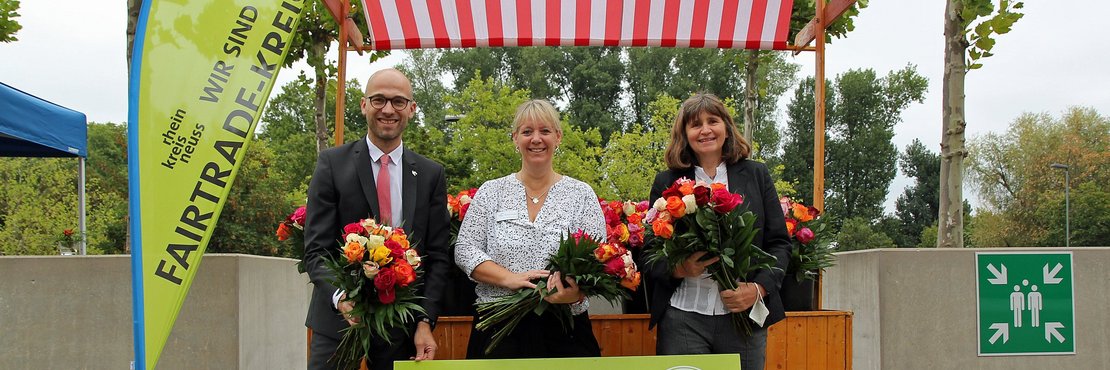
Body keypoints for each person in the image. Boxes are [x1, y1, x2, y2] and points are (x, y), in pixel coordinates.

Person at [303, 68, 450, 370]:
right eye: (379, 99)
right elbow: (316, 250)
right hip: (337, 323)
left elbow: (437, 255)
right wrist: (342, 297)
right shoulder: (332, 164)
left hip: (402, 327)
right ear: (363, 105)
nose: (388, 109)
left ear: (412, 108)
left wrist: (424, 321)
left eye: (398, 102)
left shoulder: (430, 174)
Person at [645, 93, 791, 370]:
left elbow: (780, 244)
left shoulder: (757, 175)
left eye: (713, 121)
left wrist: (758, 288)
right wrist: (679, 268)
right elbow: (651, 250)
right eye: (695, 124)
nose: (705, 130)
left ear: (726, 127)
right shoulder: (667, 182)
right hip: (682, 318)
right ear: (684, 134)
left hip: (744, 316)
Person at [453, 99, 606, 359]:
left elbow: (599, 256)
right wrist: (509, 278)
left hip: (564, 326)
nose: (536, 139)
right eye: (527, 132)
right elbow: (465, 249)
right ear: (515, 138)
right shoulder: (492, 191)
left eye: (545, 131)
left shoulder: (581, 194)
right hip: (498, 325)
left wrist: (575, 293)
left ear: (558, 137)